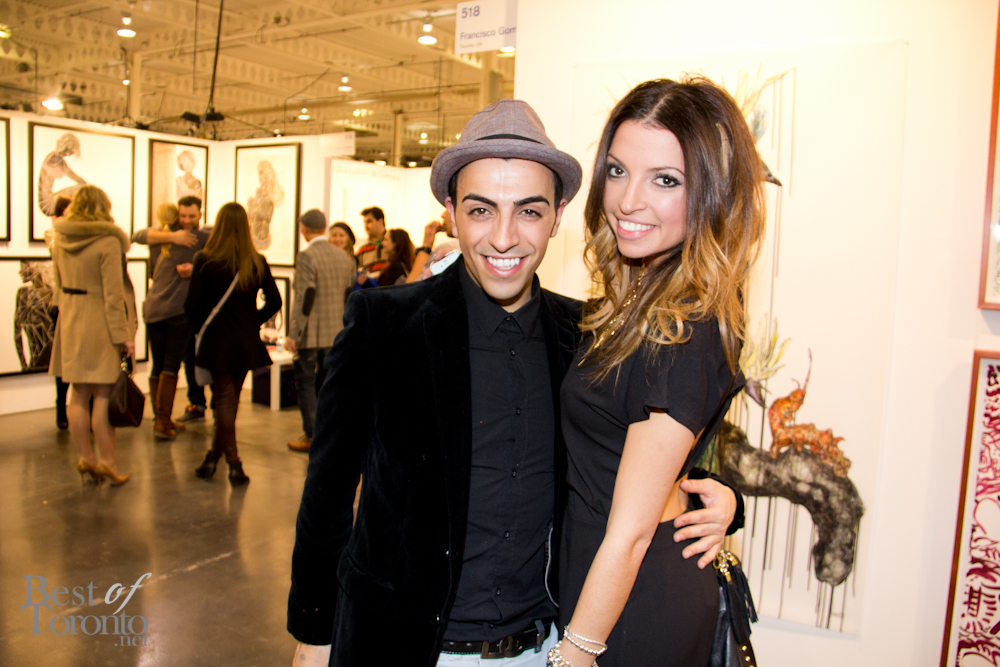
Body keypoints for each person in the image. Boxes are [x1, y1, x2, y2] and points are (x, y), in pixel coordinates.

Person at [286, 99, 741, 667]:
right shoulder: (385, 326)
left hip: (540, 647)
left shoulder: (583, 334)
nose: (504, 238)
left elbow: (618, 458)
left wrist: (718, 497)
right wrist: (314, 633)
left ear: (558, 215)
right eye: (481, 210)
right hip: (403, 647)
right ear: (451, 213)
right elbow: (327, 494)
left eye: (528, 211)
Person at [551, 78, 766, 667]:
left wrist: (574, 654)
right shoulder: (633, 300)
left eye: (665, 180)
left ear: (710, 196)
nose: (628, 200)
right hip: (603, 579)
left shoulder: (689, 326)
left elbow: (632, 533)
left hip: (634, 599)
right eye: (618, 171)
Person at [184, 202, 281, 486]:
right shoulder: (256, 261)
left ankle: (234, 464)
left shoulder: (205, 260)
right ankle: (211, 458)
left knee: (225, 401)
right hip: (245, 341)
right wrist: (253, 321)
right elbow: (275, 301)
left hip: (217, 341)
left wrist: (204, 328)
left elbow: (191, 306)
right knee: (230, 400)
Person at [49, 185, 137, 487]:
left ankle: (85, 458)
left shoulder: (59, 240)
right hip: (99, 320)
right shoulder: (108, 241)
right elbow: (113, 294)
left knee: (78, 393)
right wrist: (124, 336)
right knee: (102, 394)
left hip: (70, 318)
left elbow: (58, 286)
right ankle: (107, 462)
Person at [131, 196, 212, 439]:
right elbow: (137, 235)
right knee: (169, 366)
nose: (186, 220)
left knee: (160, 365)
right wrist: (174, 236)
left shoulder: (188, 237)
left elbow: (139, 236)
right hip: (174, 310)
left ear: (200, 214)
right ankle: (162, 423)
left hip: (155, 309)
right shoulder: (179, 237)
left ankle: (161, 419)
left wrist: (194, 263)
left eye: (191, 216)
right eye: (183, 216)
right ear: (177, 215)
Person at [285, 209, 355, 453]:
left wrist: (294, 332)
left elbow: (306, 295)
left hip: (311, 332)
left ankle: (312, 435)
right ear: (324, 228)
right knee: (329, 384)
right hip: (335, 329)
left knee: (305, 383)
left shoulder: (306, 256)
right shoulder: (342, 256)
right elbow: (347, 292)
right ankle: (330, 433)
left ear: (304, 229)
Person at [47, 196, 73, 429]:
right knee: (63, 359)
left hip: (78, 305)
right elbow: (56, 251)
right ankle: (61, 407)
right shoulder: (53, 235)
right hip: (62, 304)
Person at [354, 206, 388, 277]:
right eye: (365, 222)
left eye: (369, 221)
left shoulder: (393, 242)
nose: (366, 226)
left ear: (380, 221)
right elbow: (360, 274)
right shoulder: (363, 249)